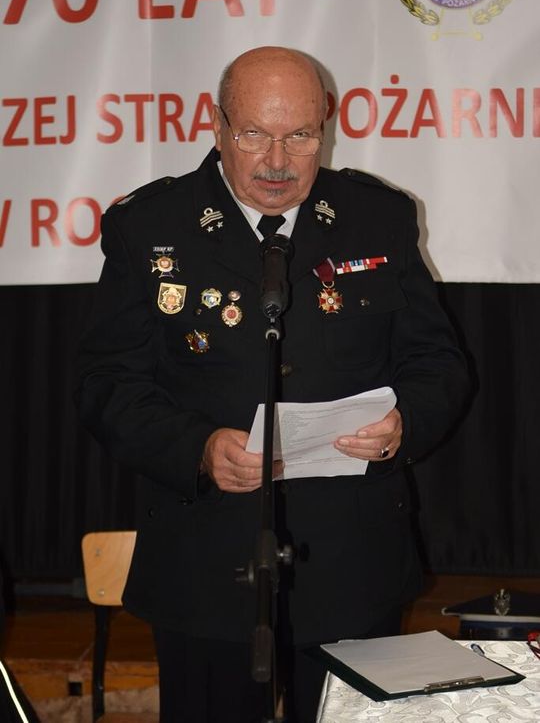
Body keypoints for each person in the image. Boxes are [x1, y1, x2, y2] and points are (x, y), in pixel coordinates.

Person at [76, 46, 469, 722]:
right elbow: (107, 383)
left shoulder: (377, 217)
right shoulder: (150, 226)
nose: (278, 161)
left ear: (327, 126)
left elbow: (440, 364)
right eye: (255, 134)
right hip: (205, 563)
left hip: (353, 561)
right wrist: (197, 449)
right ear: (218, 124)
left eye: (301, 136)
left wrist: (403, 425)